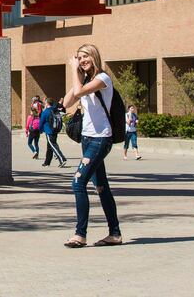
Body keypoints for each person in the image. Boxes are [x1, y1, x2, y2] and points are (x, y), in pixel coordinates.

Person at [62, 44, 122, 248]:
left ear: (94, 56)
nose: (82, 60)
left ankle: (80, 235)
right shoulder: (85, 80)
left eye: (85, 56)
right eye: (78, 57)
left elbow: (78, 92)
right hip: (87, 138)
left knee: (78, 183)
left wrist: (72, 69)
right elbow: (67, 102)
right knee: (101, 187)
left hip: (100, 139)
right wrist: (77, 74)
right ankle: (115, 234)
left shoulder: (102, 79)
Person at [39, 97, 67, 168]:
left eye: (45, 102)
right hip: (55, 130)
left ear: (47, 103)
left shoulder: (45, 112)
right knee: (50, 147)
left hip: (49, 131)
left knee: (53, 146)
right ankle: (47, 162)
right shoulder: (55, 109)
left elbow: (41, 122)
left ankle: (62, 159)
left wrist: (40, 130)